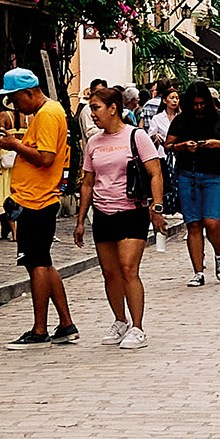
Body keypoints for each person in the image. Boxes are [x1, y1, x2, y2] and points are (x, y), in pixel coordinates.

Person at [0, 66, 78, 344]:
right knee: (43, 262)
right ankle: (65, 324)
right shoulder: (49, 113)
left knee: (37, 264)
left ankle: (40, 328)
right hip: (37, 197)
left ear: (29, 93)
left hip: (37, 200)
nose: (14, 105)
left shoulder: (46, 115)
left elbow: (45, 158)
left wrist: (14, 145)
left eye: (15, 99)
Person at [78, 86, 164, 349]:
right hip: (103, 212)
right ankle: (120, 320)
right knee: (110, 273)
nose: (92, 114)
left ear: (112, 108)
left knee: (128, 269)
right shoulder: (93, 142)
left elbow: (155, 173)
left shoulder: (136, 136)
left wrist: (157, 207)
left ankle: (138, 327)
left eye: (96, 108)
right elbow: (88, 182)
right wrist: (81, 219)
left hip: (131, 210)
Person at [165, 82, 220, 282]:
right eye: (195, 104)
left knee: (212, 220)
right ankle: (198, 271)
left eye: (202, 103)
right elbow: (168, 145)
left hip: (214, 175)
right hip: (187, 175)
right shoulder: (181, 120)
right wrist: (182, 146)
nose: (198, 107)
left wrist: (216, 144)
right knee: (193, 224)